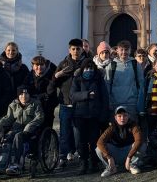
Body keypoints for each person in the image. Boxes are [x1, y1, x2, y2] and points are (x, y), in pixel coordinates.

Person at [52, 38, 91, 168]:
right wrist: (58, 75)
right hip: (65, 103)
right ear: (69, 50)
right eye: (73, 49)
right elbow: (54, 82)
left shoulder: (87, 63)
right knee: (64, 131)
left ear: (82, 49)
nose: (75, 51)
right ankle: (63, 156)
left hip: (80, 104)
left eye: (78, 49)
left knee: (79, 132)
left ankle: (81, 155)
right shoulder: (63, 63)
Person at [0, 86, 44, 176]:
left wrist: (28, 129)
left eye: (26, 94)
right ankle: (2, 164)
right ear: (18, 96)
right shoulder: (13, 105)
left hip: (31, 130)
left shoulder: (35, 104)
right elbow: (7, 118)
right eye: (21, 94)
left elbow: (39, 118)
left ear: (29, 94)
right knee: (7, 137)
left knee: (18, 136)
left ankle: (15, 164)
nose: (24, 96)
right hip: (16, 128)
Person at [70, 59, 109, 174]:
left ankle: (94, 162)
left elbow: (104, 98)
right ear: (82, 69)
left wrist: (103, 115)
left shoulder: (98, 80)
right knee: (80, 141)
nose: (89, 70)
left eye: (91, 68)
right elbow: (73, 95)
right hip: (80, 115)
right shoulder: (77, 79)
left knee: (94, 140)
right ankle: (83, 162)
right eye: (86, 68)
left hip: (94, 116)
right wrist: (86, 94)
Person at [96, 106, 144, 178]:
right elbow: (100, 142)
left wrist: (129, 157)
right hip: (115, 153)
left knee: (143, 145)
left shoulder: (133, 125)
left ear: (128, 116)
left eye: (125, 115)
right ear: (115, 117)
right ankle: (111, 168)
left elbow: (139, 140)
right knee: (98, 149)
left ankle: (132, 165)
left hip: (129, 152)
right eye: (119, 116)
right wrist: (109, 157)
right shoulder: (112, 127)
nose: (122, 118)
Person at [26, 55, 57, 130]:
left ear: (45, 65)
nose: (39, 67)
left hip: (47, 108)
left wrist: (42, 97)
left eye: (41, 65)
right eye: (37, 65)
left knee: (46, 130)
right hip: (33, 108)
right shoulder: (29, 76)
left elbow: (51, 92)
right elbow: (24, 88)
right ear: (33, 66)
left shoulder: (51, 75)